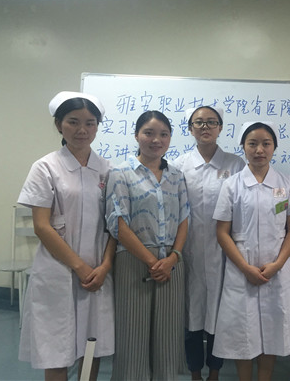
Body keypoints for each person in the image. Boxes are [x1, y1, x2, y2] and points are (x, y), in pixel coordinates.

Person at [18, 91, 115, 381]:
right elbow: (42, 226)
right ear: (59, 125)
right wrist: (79, 266)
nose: (82, 130)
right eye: (73, 122)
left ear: (97, 127)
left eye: (90, 123)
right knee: (56, 348)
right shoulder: (45, 167)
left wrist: (105, 266)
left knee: (91, 346)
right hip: (57, 270)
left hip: (97, 272)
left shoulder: (108, 169)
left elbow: (115, 225)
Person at [212, 121, 290, 381]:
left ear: (274, 147)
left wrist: (278, 264)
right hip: (242, 269)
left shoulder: (285, 183)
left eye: (266, 143)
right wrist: (245, 268)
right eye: (252, 144)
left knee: (272, 331)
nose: (259, 150)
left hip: (276, 269)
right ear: (243, 147)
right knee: (243, 333)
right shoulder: (232, 185)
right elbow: (222, 232)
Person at [105, 110, 189, 380]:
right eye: (149, 133)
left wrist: (173, 257)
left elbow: (184, 219)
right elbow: (118, 224)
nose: (156, 140)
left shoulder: (176, 175)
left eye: (164, 134)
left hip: (172, 262)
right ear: (136, 135)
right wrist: (153, 262)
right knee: (133, 334)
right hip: (134, 260)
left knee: (169, 336)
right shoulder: (120, 173)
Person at [173, 106, 245, 381]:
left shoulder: (235, 164)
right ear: (190, 128)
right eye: (199, 122)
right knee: (191, 316)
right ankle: (194, 372)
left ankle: (215, 371)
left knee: (220, 315)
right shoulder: (179, 166)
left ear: (220, 128)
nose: (205, 127)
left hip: (225, 254)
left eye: (211, 122)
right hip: (188, 252)